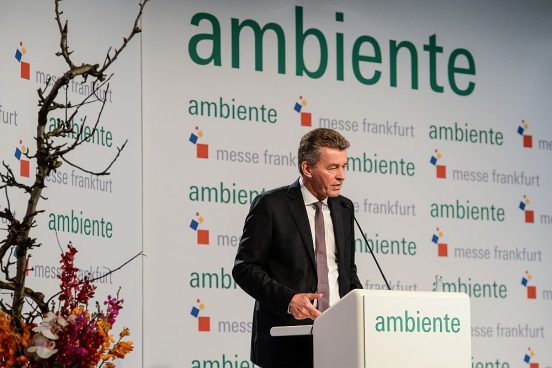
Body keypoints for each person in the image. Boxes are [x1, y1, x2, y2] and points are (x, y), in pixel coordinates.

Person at [232, 128, 363, 368]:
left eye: (344, 166)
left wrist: (363, 309)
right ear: (307, 168)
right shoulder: (272, 205)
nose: (342, 175)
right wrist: (288, 299)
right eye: (332, 167)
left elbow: (347, 272)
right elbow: (245, 268)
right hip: (287, 339)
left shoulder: (344, 208)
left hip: (339, 339)